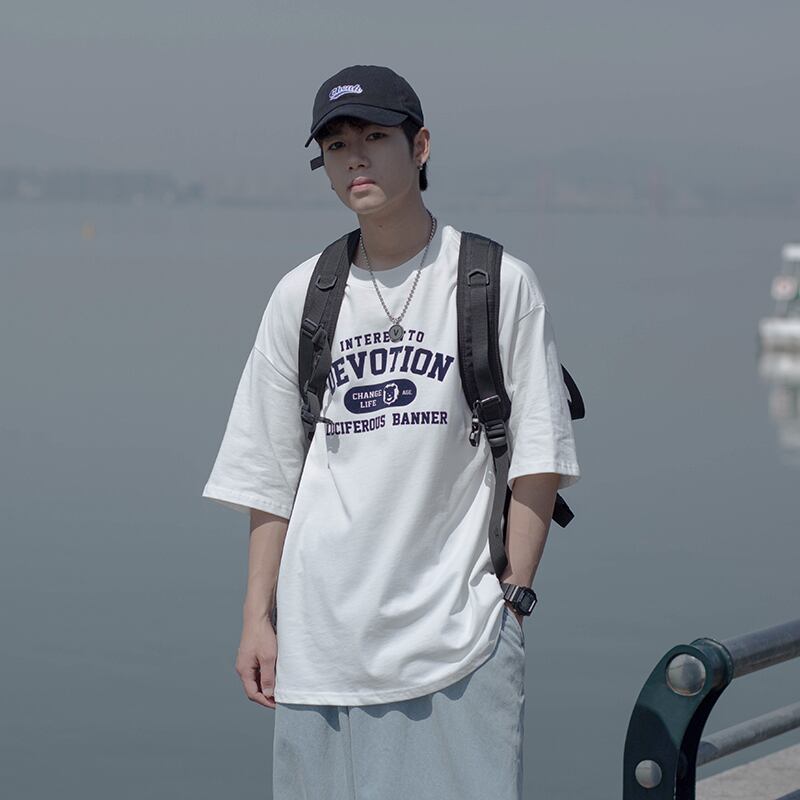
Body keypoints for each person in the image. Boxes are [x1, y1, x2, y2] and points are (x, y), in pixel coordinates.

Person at [202, 64, 581, 800]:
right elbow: (270, 473)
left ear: (422, 146)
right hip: (319, 649)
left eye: (375, 137)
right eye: (337, 146)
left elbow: (540, 456)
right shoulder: (302, 296)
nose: (356, 159)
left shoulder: (495, 282)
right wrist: (256, 617)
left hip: (457, 647)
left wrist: (513, 599)